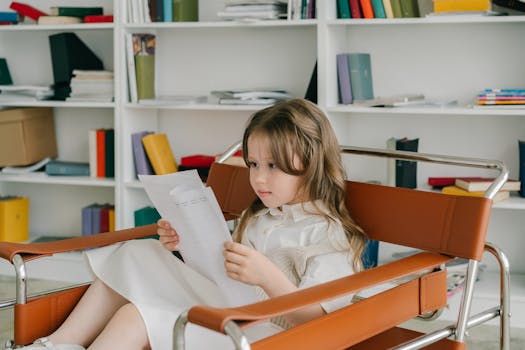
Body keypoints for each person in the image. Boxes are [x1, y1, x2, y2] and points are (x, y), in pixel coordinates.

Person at [18, 98, 367, 350]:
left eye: (273, 166)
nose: (259, 178)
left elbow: (319, 321)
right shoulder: (258, 214)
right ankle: (54, 345)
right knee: (139, 252)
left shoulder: (328, 234)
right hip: (226, 306)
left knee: (137, 316)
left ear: (310, 162)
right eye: (254, 164)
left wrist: (267, 276)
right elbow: (221, 273)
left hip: (265, 335)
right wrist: (184, 247)